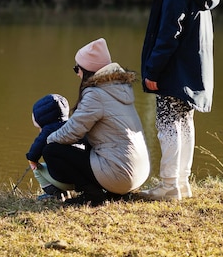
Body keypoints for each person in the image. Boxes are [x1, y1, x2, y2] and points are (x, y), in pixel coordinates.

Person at [140, 0, 220, 201]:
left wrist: (152, 71)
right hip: (191, 73)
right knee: (184, 124)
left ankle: (168, 185)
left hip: (173, 73)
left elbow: (167, 37)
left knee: (167, 125)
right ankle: (182, 183)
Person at [43, 38, 150, 206]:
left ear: (86, 70)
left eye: (76, 68)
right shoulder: (118, 88)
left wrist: (48, 139)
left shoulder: (96, 94)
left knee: (52, 151)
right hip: (138, 172)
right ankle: (110, 192)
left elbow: (72, 131)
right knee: (82, 143)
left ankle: (92, 195)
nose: (77, 73)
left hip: (120, 174)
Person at [25, 94, 76, 200]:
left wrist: (32, 159)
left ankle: (55, 194)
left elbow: (36, 149)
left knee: (37, 169)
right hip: (84, 178)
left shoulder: (48, 131)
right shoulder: (73, 126)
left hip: (65, 180)